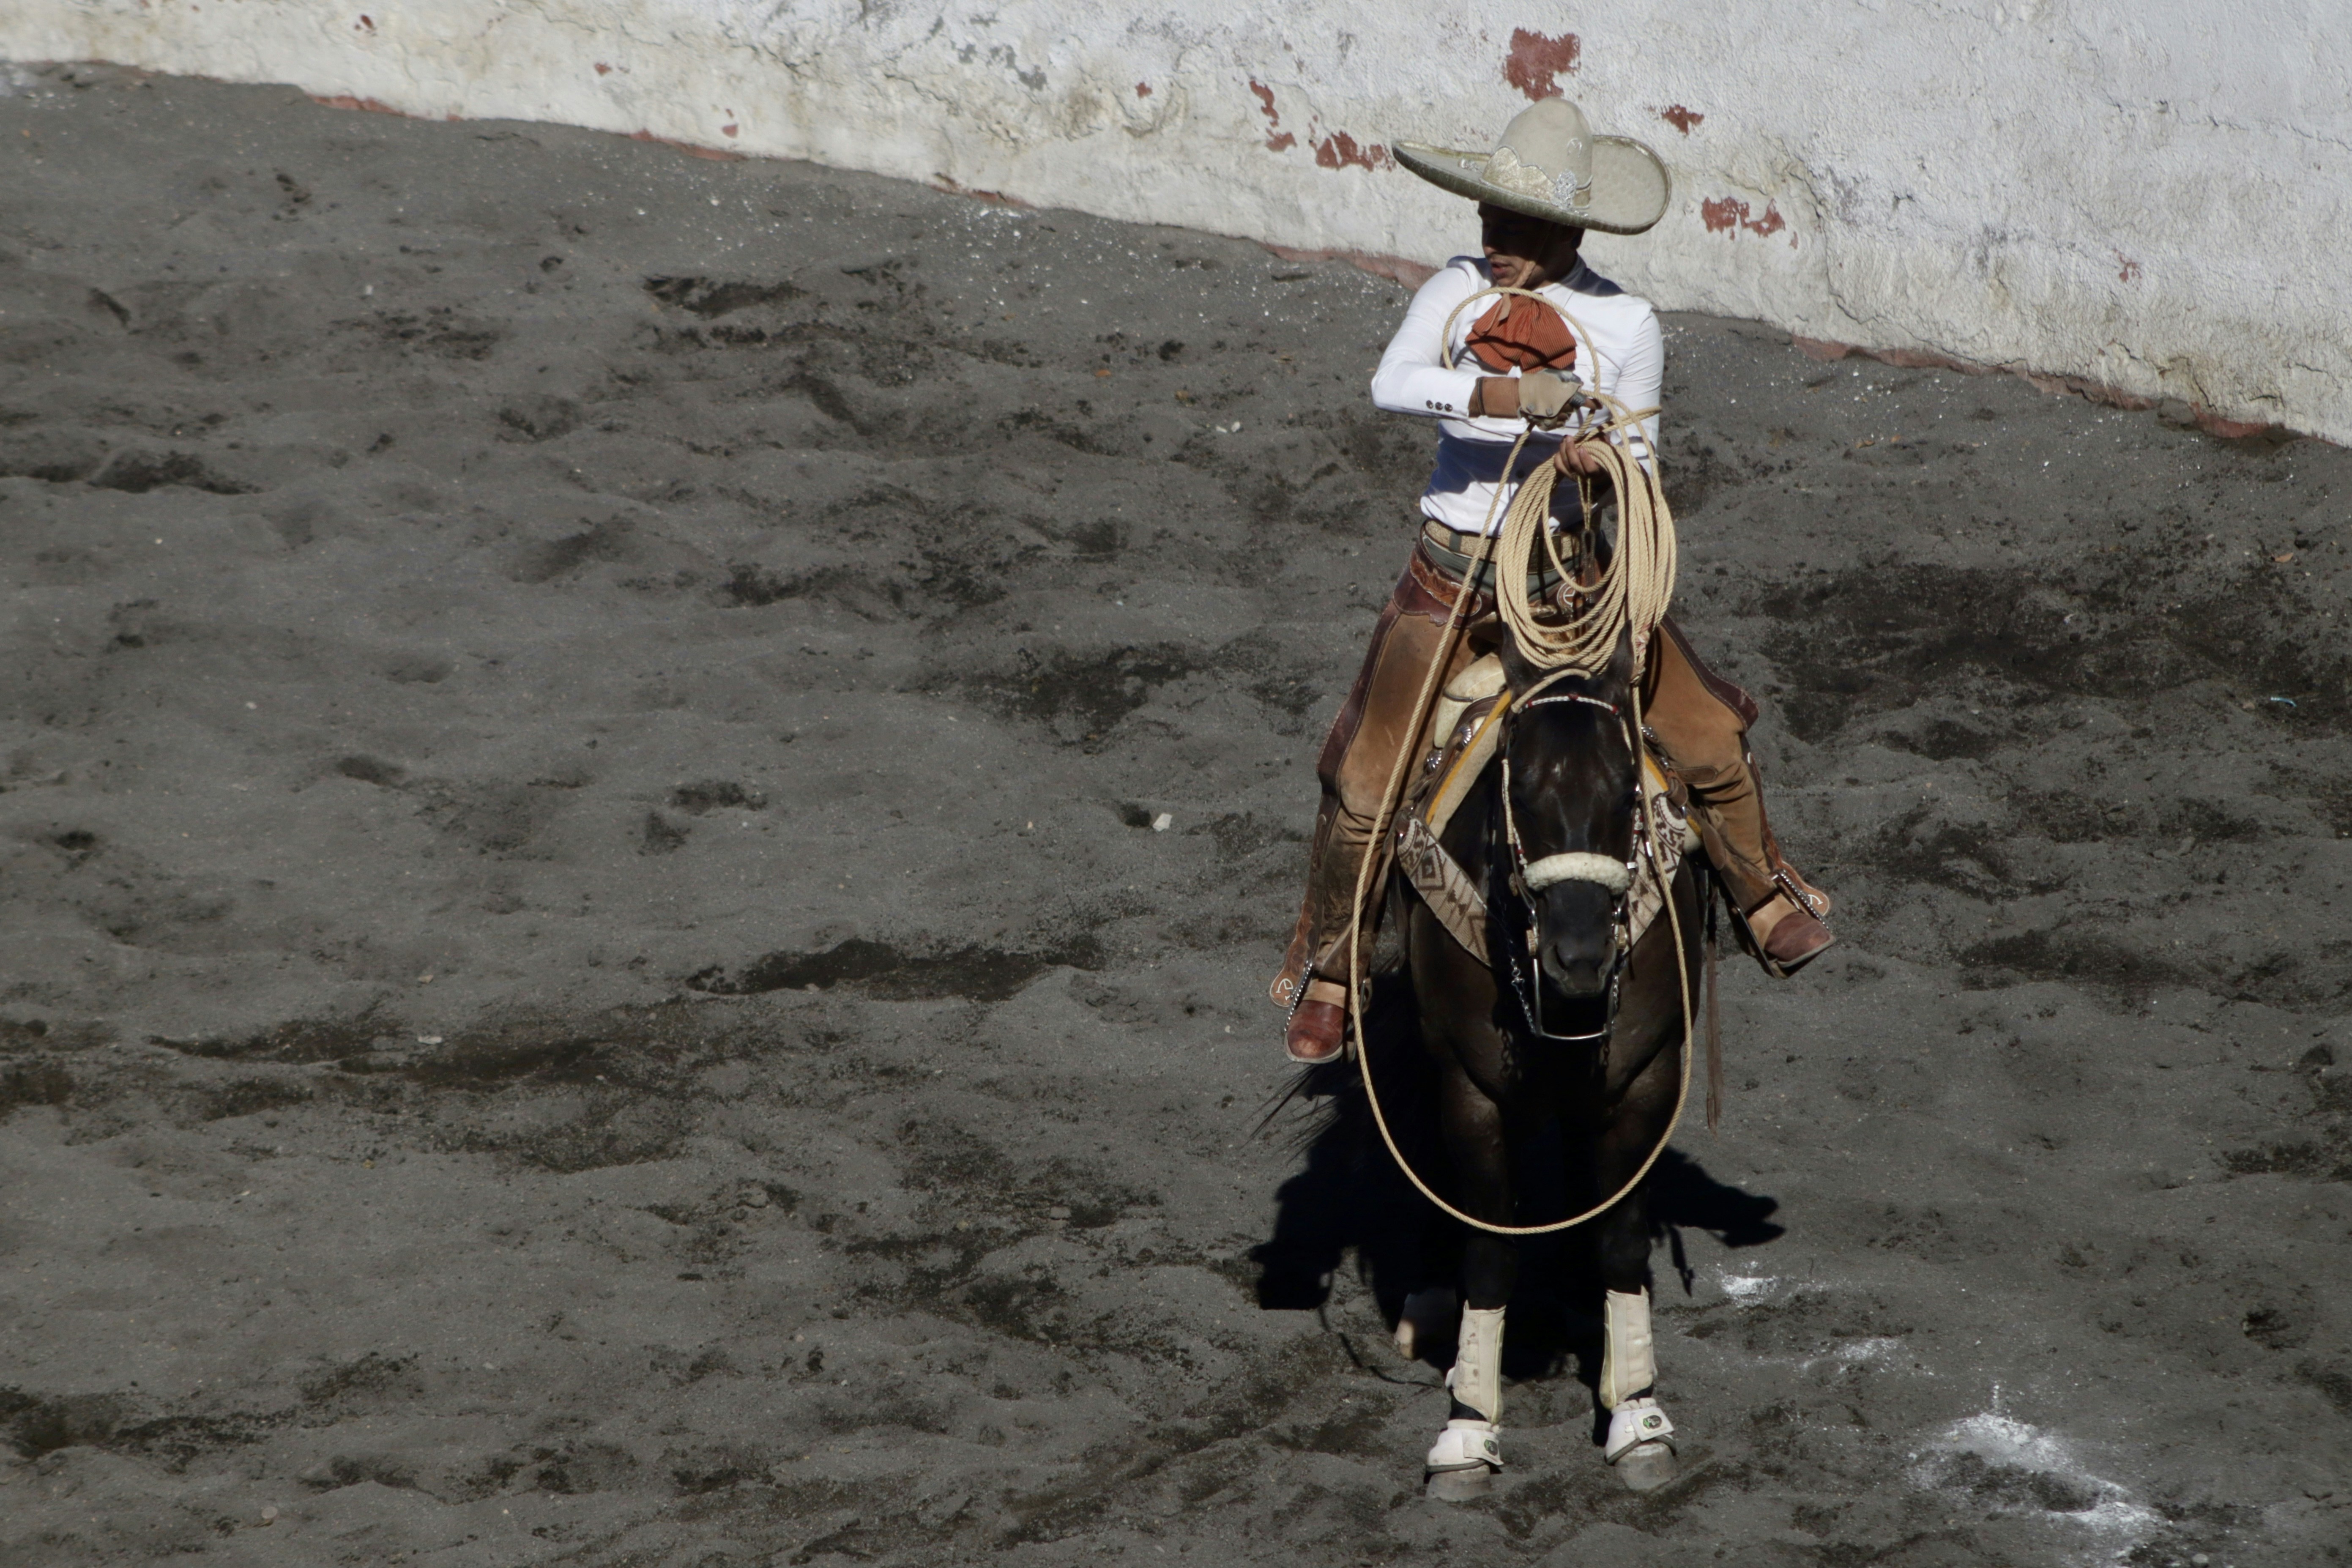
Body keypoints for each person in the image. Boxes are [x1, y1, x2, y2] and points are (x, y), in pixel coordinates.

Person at [1272, 98, 1834, 1066]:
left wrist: (1595, 464)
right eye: (1488, 218)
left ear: (1567, 231)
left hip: (1568, 579)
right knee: (1364, 782)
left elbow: (1641, 465)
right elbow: (1391, 384)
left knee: (1708, 735)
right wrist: (1508, 395)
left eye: (1515, 226)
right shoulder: (1452, 290)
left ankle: (1760, 888)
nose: (1492, 240)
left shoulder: (1627, 323)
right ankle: (1334, 963)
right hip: (1450, 573)